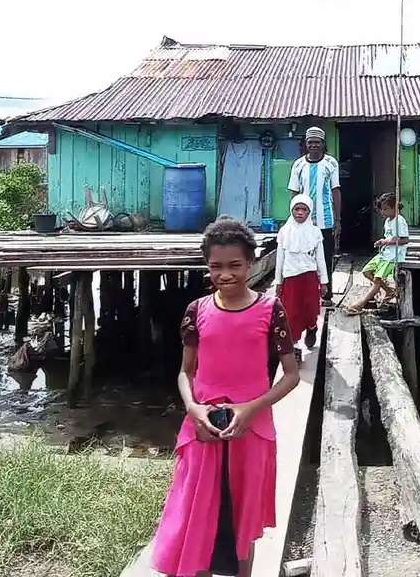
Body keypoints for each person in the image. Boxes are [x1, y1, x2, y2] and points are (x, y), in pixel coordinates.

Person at [150, 217, 301, 577]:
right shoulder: (196, 311)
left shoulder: (271, 309)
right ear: (207, 266)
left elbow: (292, 375)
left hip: (252, 429)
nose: (225, 274)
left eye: (235, 265)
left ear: (251, 263)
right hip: (203, 427)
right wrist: (193, 409)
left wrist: (250, 409)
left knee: (243, 519)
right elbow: (186, 373)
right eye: (216, 266)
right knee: (196, 514)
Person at [287, 125, 340, 348]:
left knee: (325, 257)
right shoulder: (298, 165)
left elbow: (335, 190)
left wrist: (338, 220)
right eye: (310, 142)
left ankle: (326, 294)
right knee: (302, 256)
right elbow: (293, 192)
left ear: (323, 144)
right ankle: (305, 293)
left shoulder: (331, 163)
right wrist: (290, 218)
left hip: (325, 220)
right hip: (303, 222)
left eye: (317, 142)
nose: (314, 145)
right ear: (306, 144)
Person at [274, 194, 329, 361]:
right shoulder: (284, 232)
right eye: (296, 209)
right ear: (291, 210)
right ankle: (295, 347)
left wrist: (324, 281)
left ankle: (312, 327)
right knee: (291, 313)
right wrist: (278, 281)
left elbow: (320, 258)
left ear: (309, 212)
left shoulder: (315, 232)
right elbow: (280, 259)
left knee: (311, 309)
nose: (299, 212)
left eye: (303, 209)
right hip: (290, 277)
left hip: (309, 276)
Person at [346, 192, 410, 315]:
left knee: (377, 279)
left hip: (394, 256)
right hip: (385, 253)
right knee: (366, 272)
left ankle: (360, 304)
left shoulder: (399, 221)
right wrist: (383, 242)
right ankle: (389, 291)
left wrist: (386, 242)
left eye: (386, 209)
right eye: (382, 209)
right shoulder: (387, 221)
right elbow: (389, 237)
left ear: (395, 207)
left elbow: (405, 240)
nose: (383, 212)